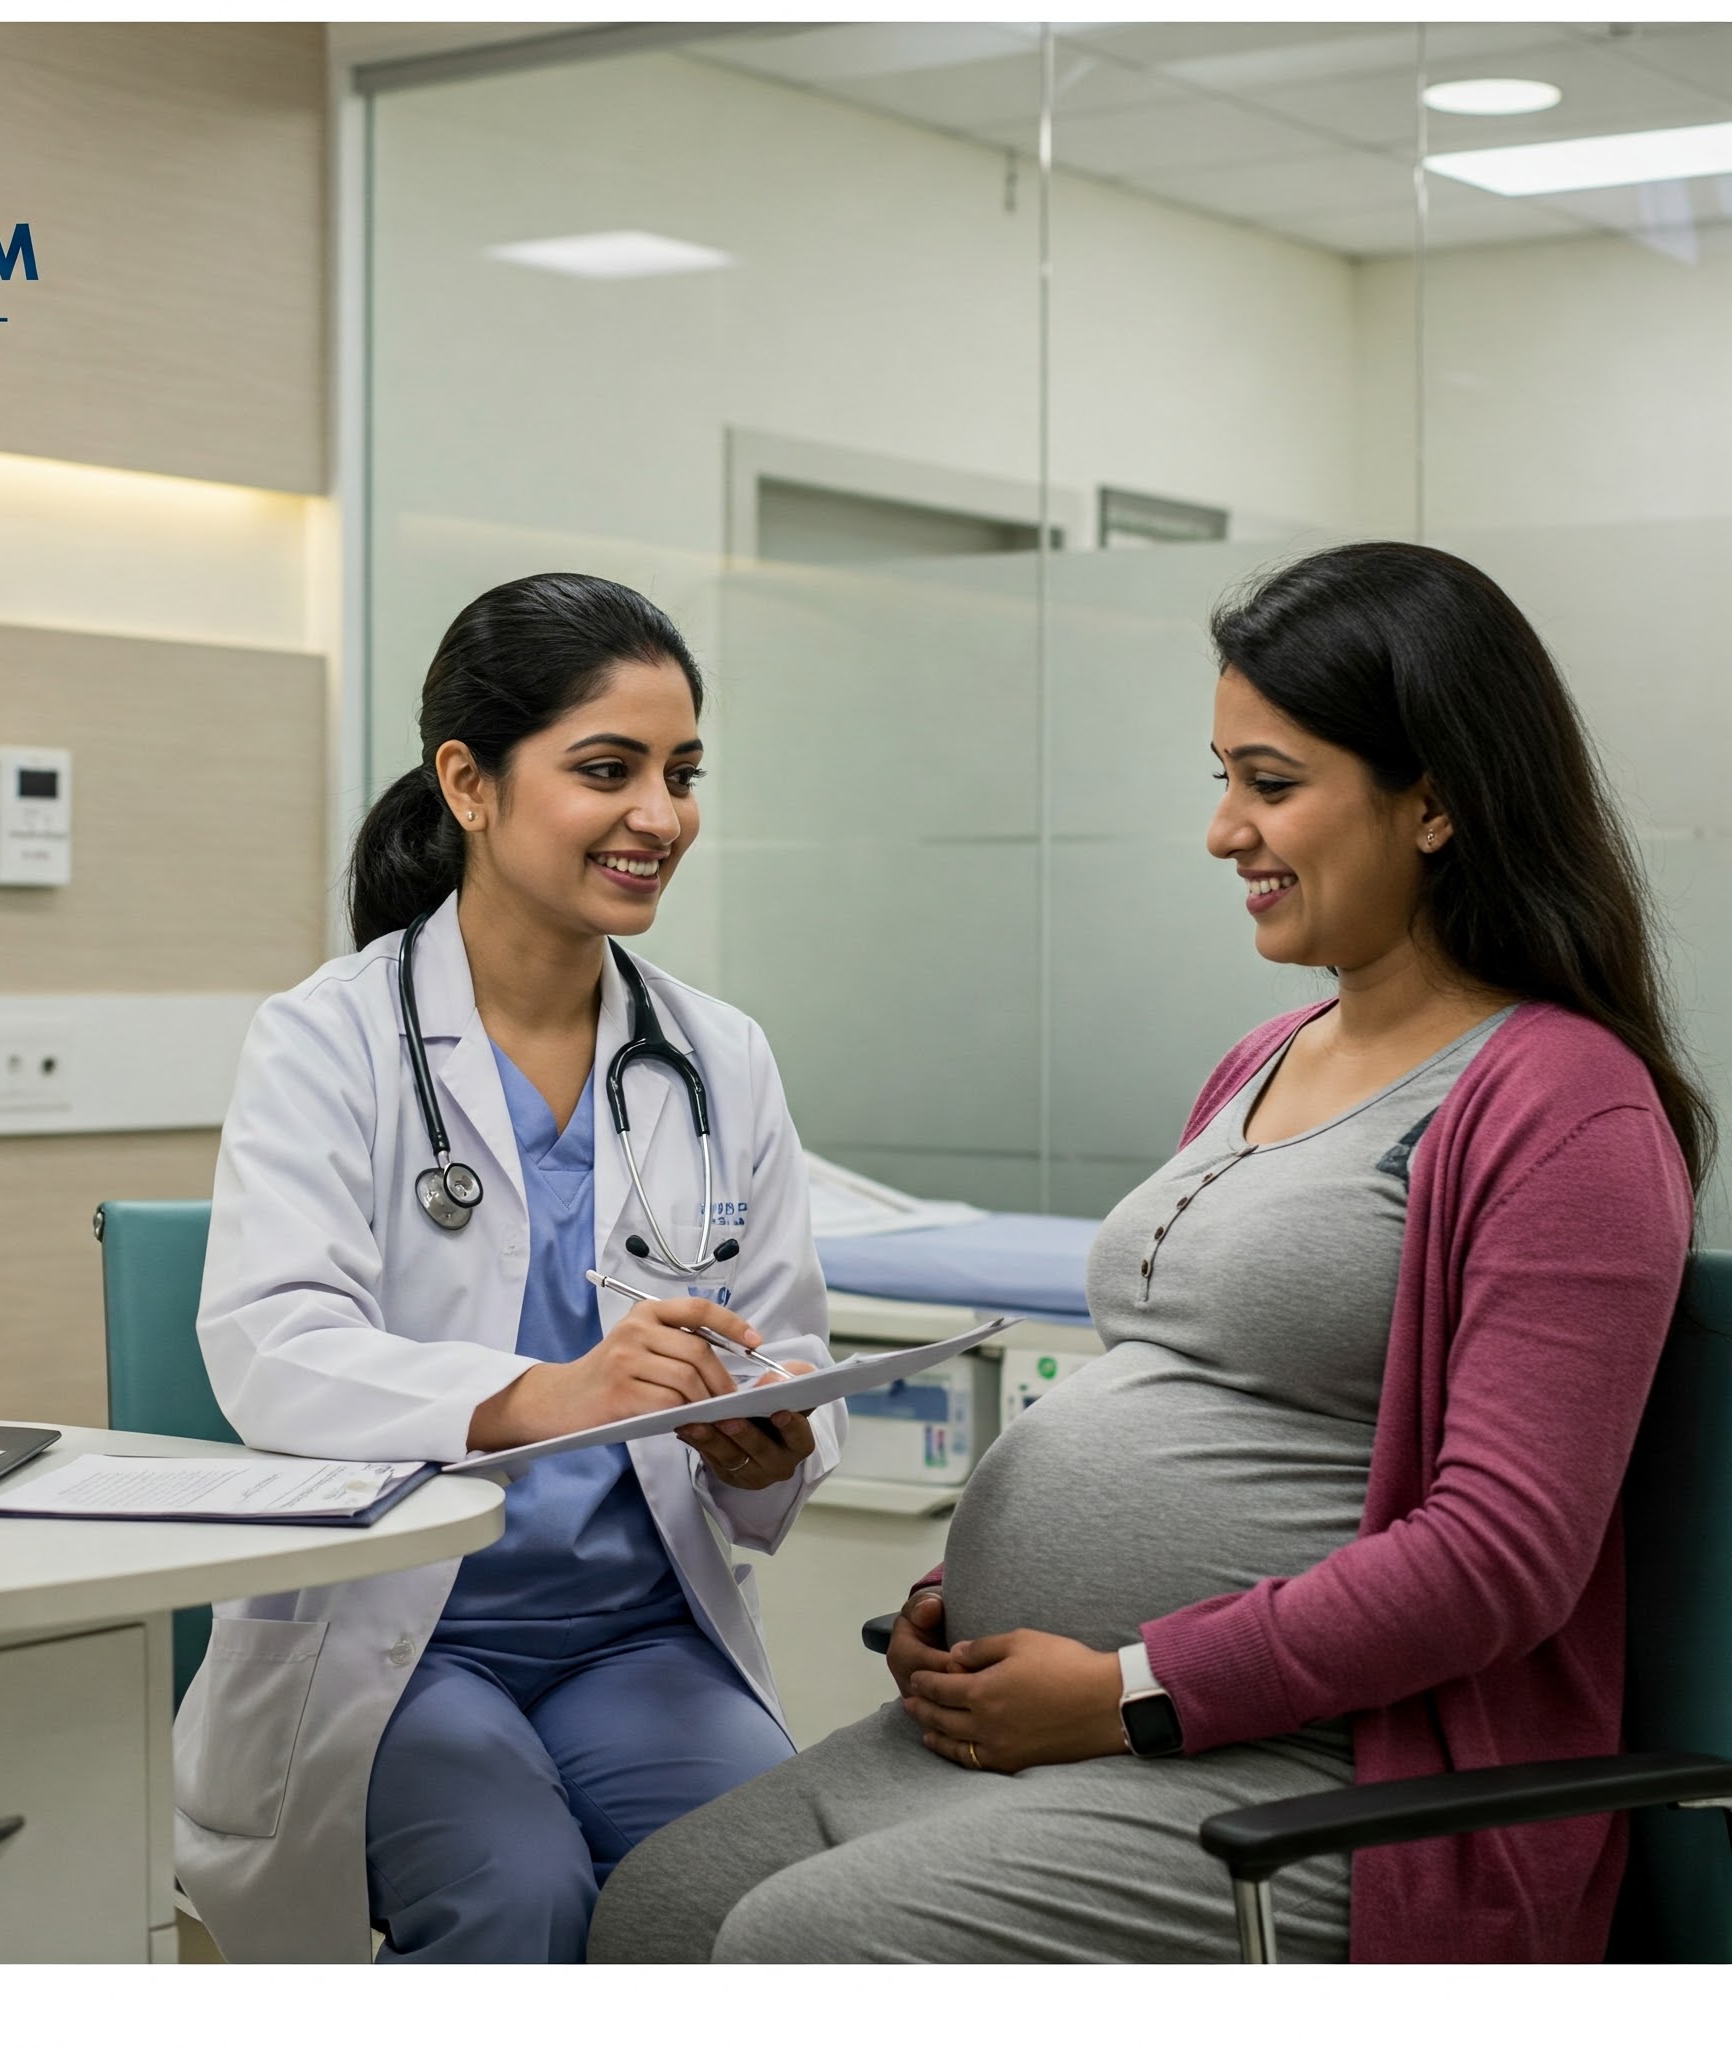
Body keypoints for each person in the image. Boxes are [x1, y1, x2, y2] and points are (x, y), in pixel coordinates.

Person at [587, 540, 1708, 1966]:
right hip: (1046, 1734)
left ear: (1436, 800)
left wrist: (1131, 1684)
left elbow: (1501, 1557)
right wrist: (962, 1610)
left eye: (1274, 783)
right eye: (1222, 777)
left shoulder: (1564, 1103)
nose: (1225, 830)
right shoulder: (1266, 1056)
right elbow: (1172, 1401)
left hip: (1314, 1778)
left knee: (800, 1949)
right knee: (653, 1917)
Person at [173, 572, 845, 1964]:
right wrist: (542, 1395)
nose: (660, 816)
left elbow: (786, 1340)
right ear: (468, 784)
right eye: (609, 770)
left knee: (769, 1902)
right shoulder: (329, 1040)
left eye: (681, 772)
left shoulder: (720, 1057)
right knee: (515, 1894)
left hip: (644, 1637)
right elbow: (270, 1345)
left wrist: (769, 1438)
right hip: (404, 1640)